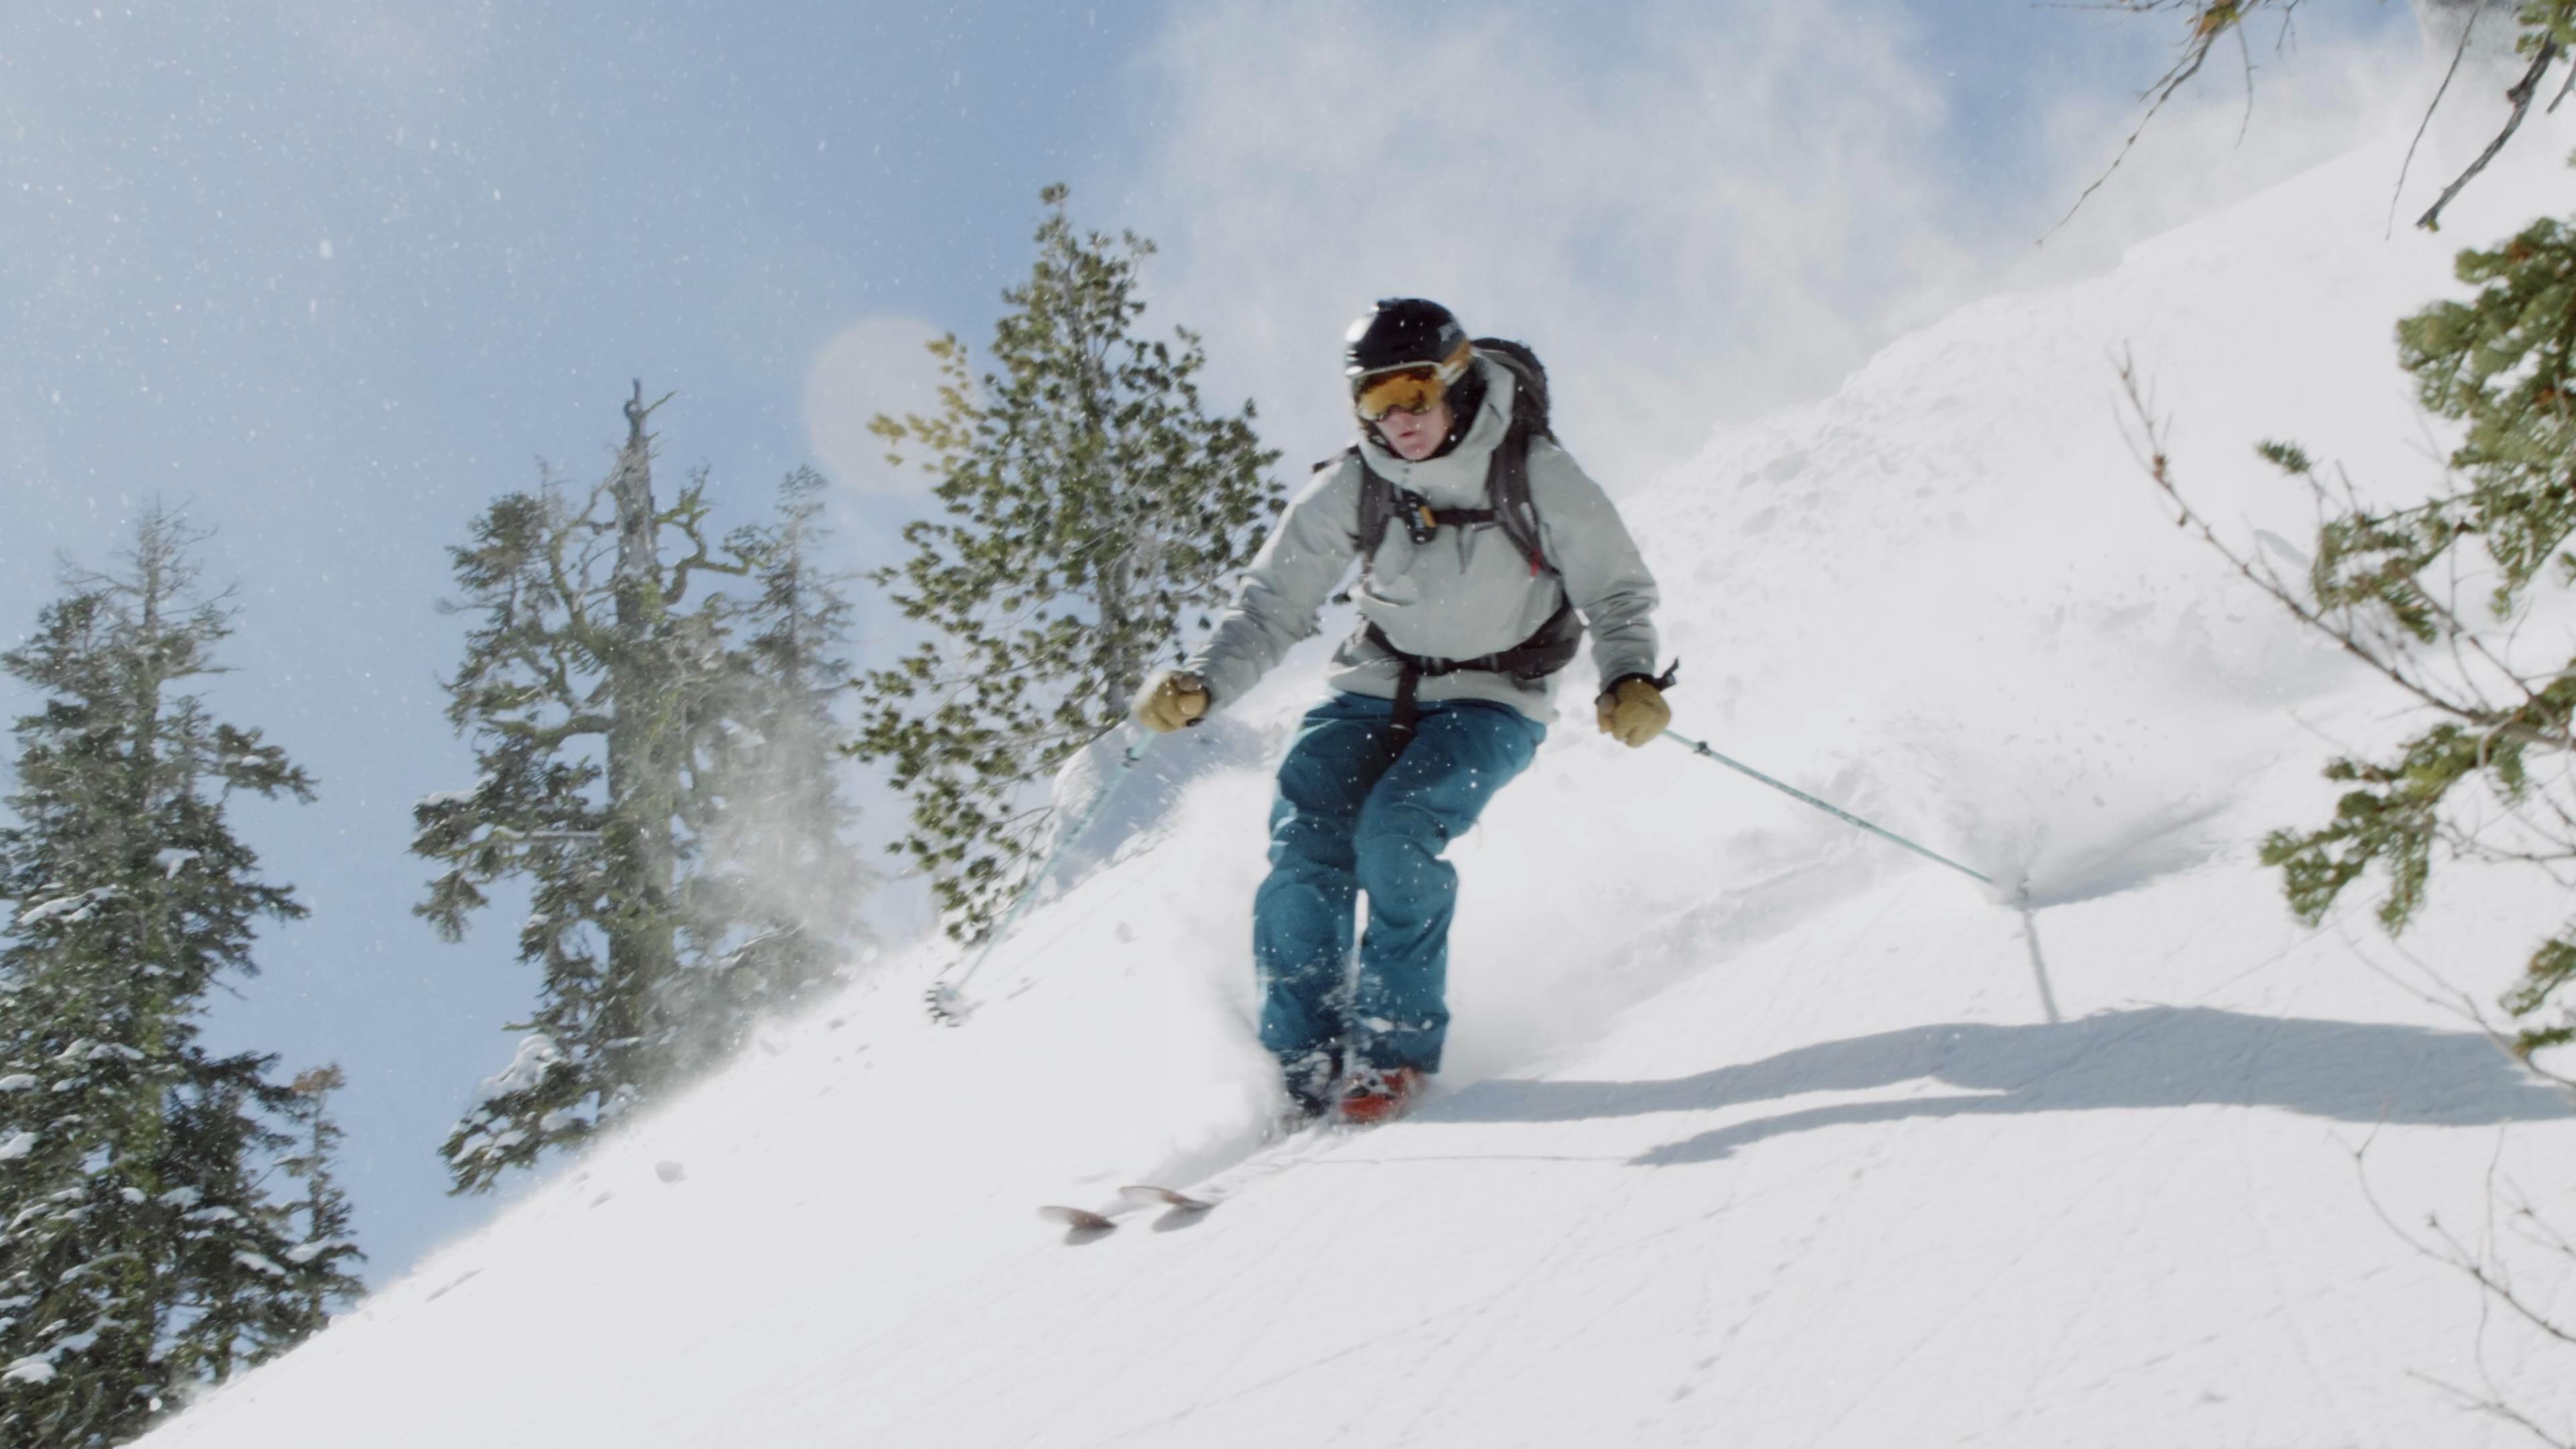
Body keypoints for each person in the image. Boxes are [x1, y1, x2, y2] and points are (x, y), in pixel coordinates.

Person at [1130, 299, 1670, 1127]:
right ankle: (1302, 1062)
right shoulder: (1357, 482)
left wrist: (1628, 675)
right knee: (1306, 848)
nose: (1399, 420)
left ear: (1456, 380)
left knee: (1396, 833)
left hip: (1493, 697)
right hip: (1374, 683)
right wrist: (1204, 683)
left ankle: (1393, 1051)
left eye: (1413, 393)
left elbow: (1618, 591)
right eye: (1376, 401)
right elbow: (1272, 605)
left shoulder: (1534, 471)